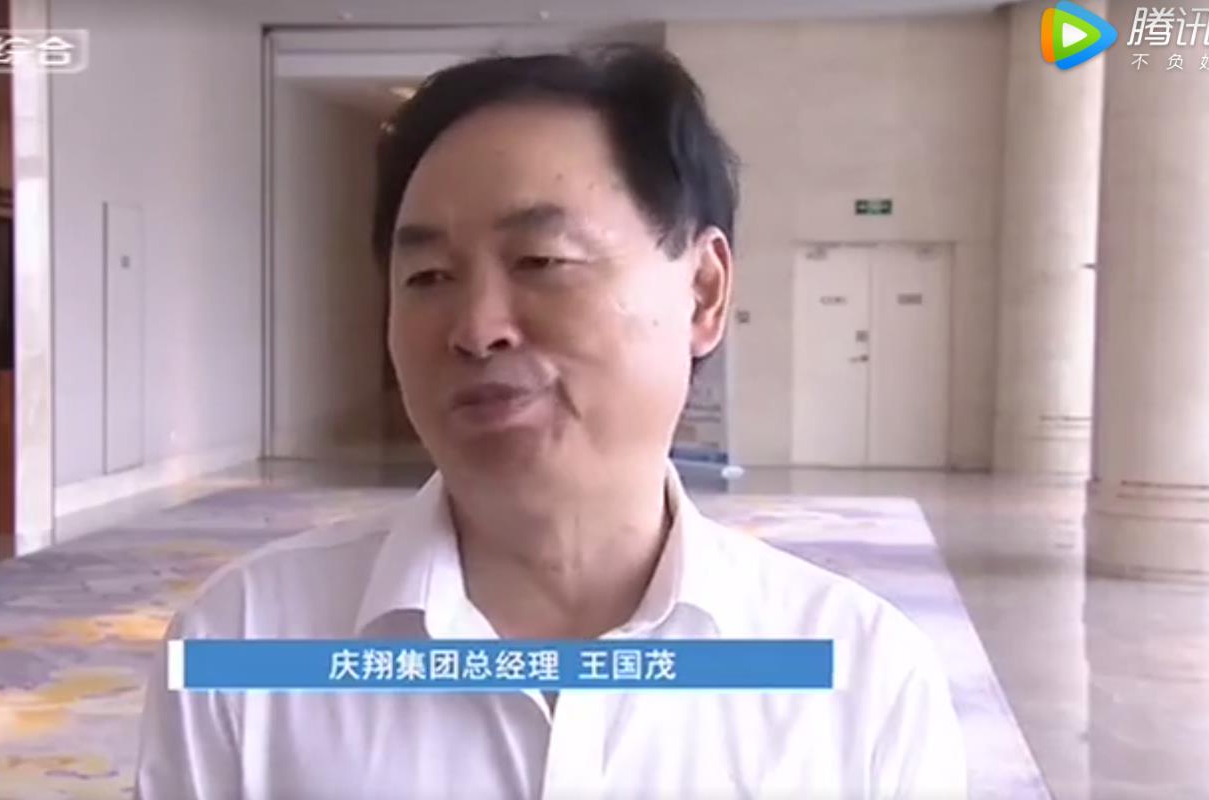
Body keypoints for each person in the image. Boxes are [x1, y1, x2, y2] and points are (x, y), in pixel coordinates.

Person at [138, 43, 967, 799]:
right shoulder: (242, 648)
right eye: (427, 277)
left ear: (703, 292)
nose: (476, 328)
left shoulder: (857, 675)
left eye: (541, 261)